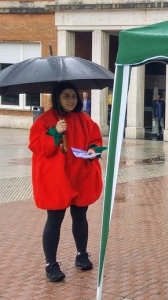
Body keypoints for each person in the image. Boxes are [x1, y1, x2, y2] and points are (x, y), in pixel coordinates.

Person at [28, 81, 104, 282]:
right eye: (66, 96)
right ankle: (50, 263)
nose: (71, 100)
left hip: (79, 177)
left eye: (73, 96)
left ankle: (81, 254)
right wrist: (55, 132)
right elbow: (38, 147)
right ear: (57, 98)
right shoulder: (45, 120)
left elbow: (95, 139)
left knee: (80, 217)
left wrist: (93, 150)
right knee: (54, 220)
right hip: (57, 180)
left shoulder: (84, 119)